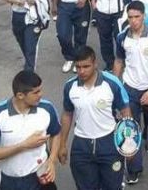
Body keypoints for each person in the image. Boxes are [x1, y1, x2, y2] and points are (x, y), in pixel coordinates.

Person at [59, 46, 131, 190]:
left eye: (86, 66)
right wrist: (62, 145)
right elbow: (67, 114)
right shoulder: (70, 87)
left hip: (109, 143)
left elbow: (126, 112)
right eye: (78, 67)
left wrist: (128, 144)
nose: (82, 71)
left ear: (95, 63)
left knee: (112, 186)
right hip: (81, 146)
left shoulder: (111, 83)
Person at [113, 1, 148, 183]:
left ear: (144, 16)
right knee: (130, 129)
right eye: (130, 17)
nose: (134, 21)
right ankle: (134, 169)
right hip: (130, 89)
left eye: (137, 17)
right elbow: (119, 61)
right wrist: (115, 85)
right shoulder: (122, 37)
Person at [0, 70, 62, 189]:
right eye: (36, 92)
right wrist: (24, 145)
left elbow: (56, 133)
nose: (41, 94)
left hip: (41, 178)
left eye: (41, 89)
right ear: (20, 95)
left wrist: (52, 160)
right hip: (11, 182)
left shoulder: (47, 108)